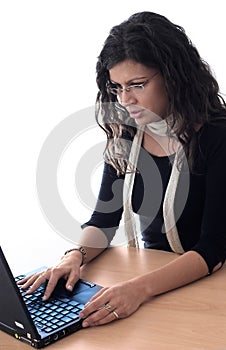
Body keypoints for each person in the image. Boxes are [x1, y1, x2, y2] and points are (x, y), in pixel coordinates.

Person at [19, 11, 226, 328]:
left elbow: (213, 249)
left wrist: (139, 289)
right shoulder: (126, 132)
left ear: (174, 75)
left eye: (137, 85)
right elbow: (104, 219)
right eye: (117, 87)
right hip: (158, 283)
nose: (125, 100)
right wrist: (74, 257)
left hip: (210, 284)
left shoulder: (217, 136)